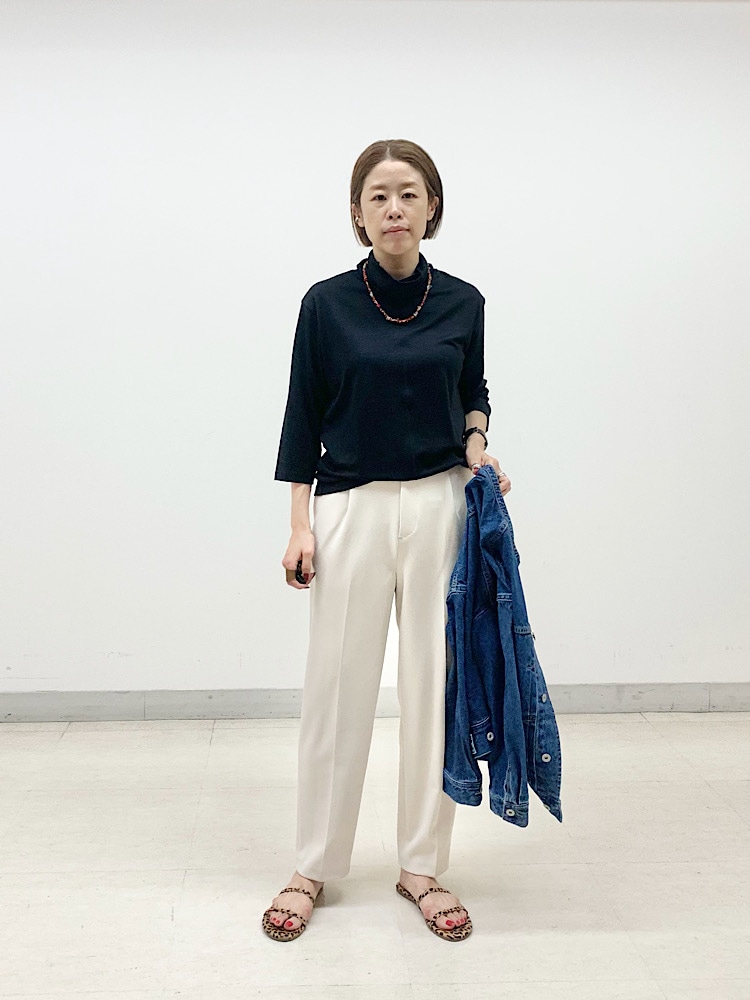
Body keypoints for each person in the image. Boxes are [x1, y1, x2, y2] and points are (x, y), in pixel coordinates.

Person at [263, 139, 511, 943]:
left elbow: (472, 390)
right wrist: (299, 523)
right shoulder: (326, 304)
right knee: (337, 688)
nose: (394, 208)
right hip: (349, 504)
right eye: (378, 196)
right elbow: (302, 414)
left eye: (409, 193)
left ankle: (421, 865)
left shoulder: (464, 301)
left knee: (435, 687)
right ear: (357, 213)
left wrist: (479, 448)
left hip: (441, 502)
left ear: (432, 206)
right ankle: (313, 864)